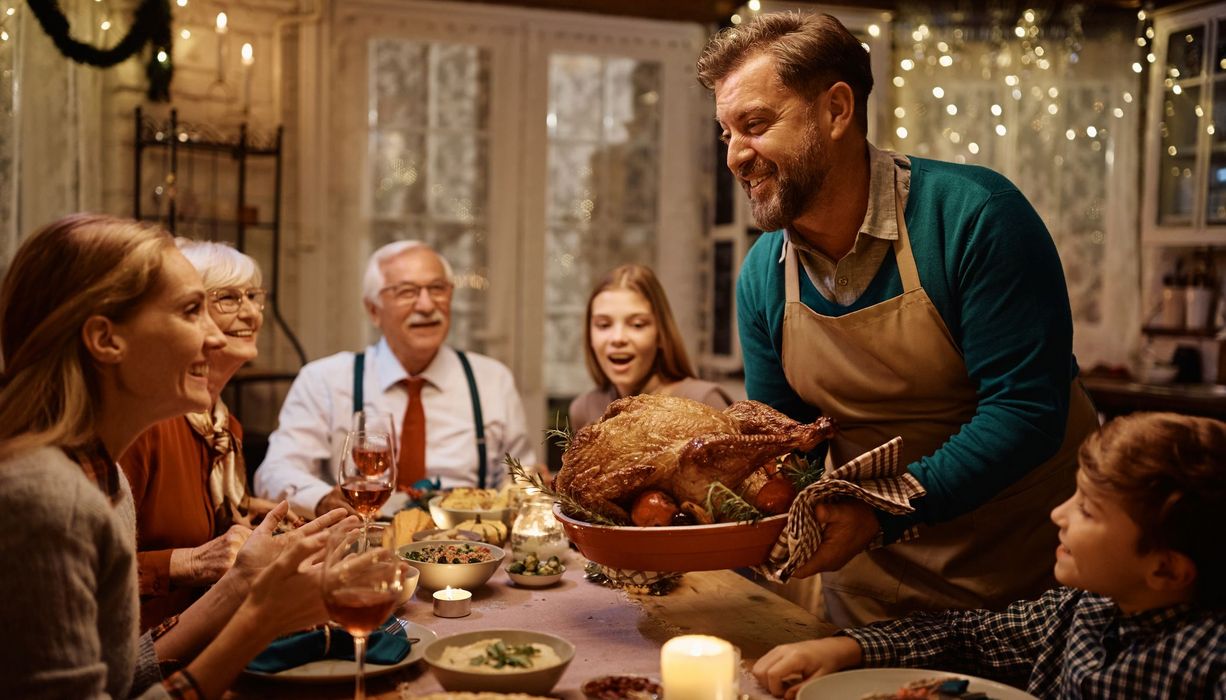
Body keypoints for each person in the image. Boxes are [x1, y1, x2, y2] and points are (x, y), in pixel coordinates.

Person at [697, 12, 1100, 625]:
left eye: (754, 125)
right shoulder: (762, 275)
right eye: (725, 133)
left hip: (1020, 575)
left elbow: (1026, 410)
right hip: (868, 580)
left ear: (837, 110)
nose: (733, 158)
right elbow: (787, 440)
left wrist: (883, 508)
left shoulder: (973, 218)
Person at [0, 213, 352, 698]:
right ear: (106, 339)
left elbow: (123, 677)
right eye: (192, 310)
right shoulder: (43, 500)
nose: (215, 335)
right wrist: (258, 620)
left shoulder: (103, 479)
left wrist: (243, 583)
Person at [752, 412, 1226, 699]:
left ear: (1165, 569)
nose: (1059, 514)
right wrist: (848, 647)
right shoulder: (1082, 609)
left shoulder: (1208, 661)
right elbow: (969, 639)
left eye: (1087, 509)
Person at [254, 240, 536, 518]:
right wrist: (324, 499)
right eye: (406, 292)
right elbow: (274, 473)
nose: (426, 305)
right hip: (361, 547)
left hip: (468, 549)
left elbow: (523, 477)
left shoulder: (492, 379)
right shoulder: (324, 380)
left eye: (437, 289)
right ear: (374, 310)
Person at [120, 239, 297, 630]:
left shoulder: (222, 425)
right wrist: (194, 562)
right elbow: (92, 572)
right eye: (227, 299)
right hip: (145, 649)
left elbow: (218, 519)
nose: (250, 313)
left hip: (210, 627)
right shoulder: (146, 425)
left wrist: (278, 515)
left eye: (253, 296)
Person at [568, 263, 732, 431]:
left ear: (660, 334)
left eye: (637, 324)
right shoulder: (584, 409)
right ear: (589, 336)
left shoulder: (703, 402)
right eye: (603, 325)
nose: (618, 338)